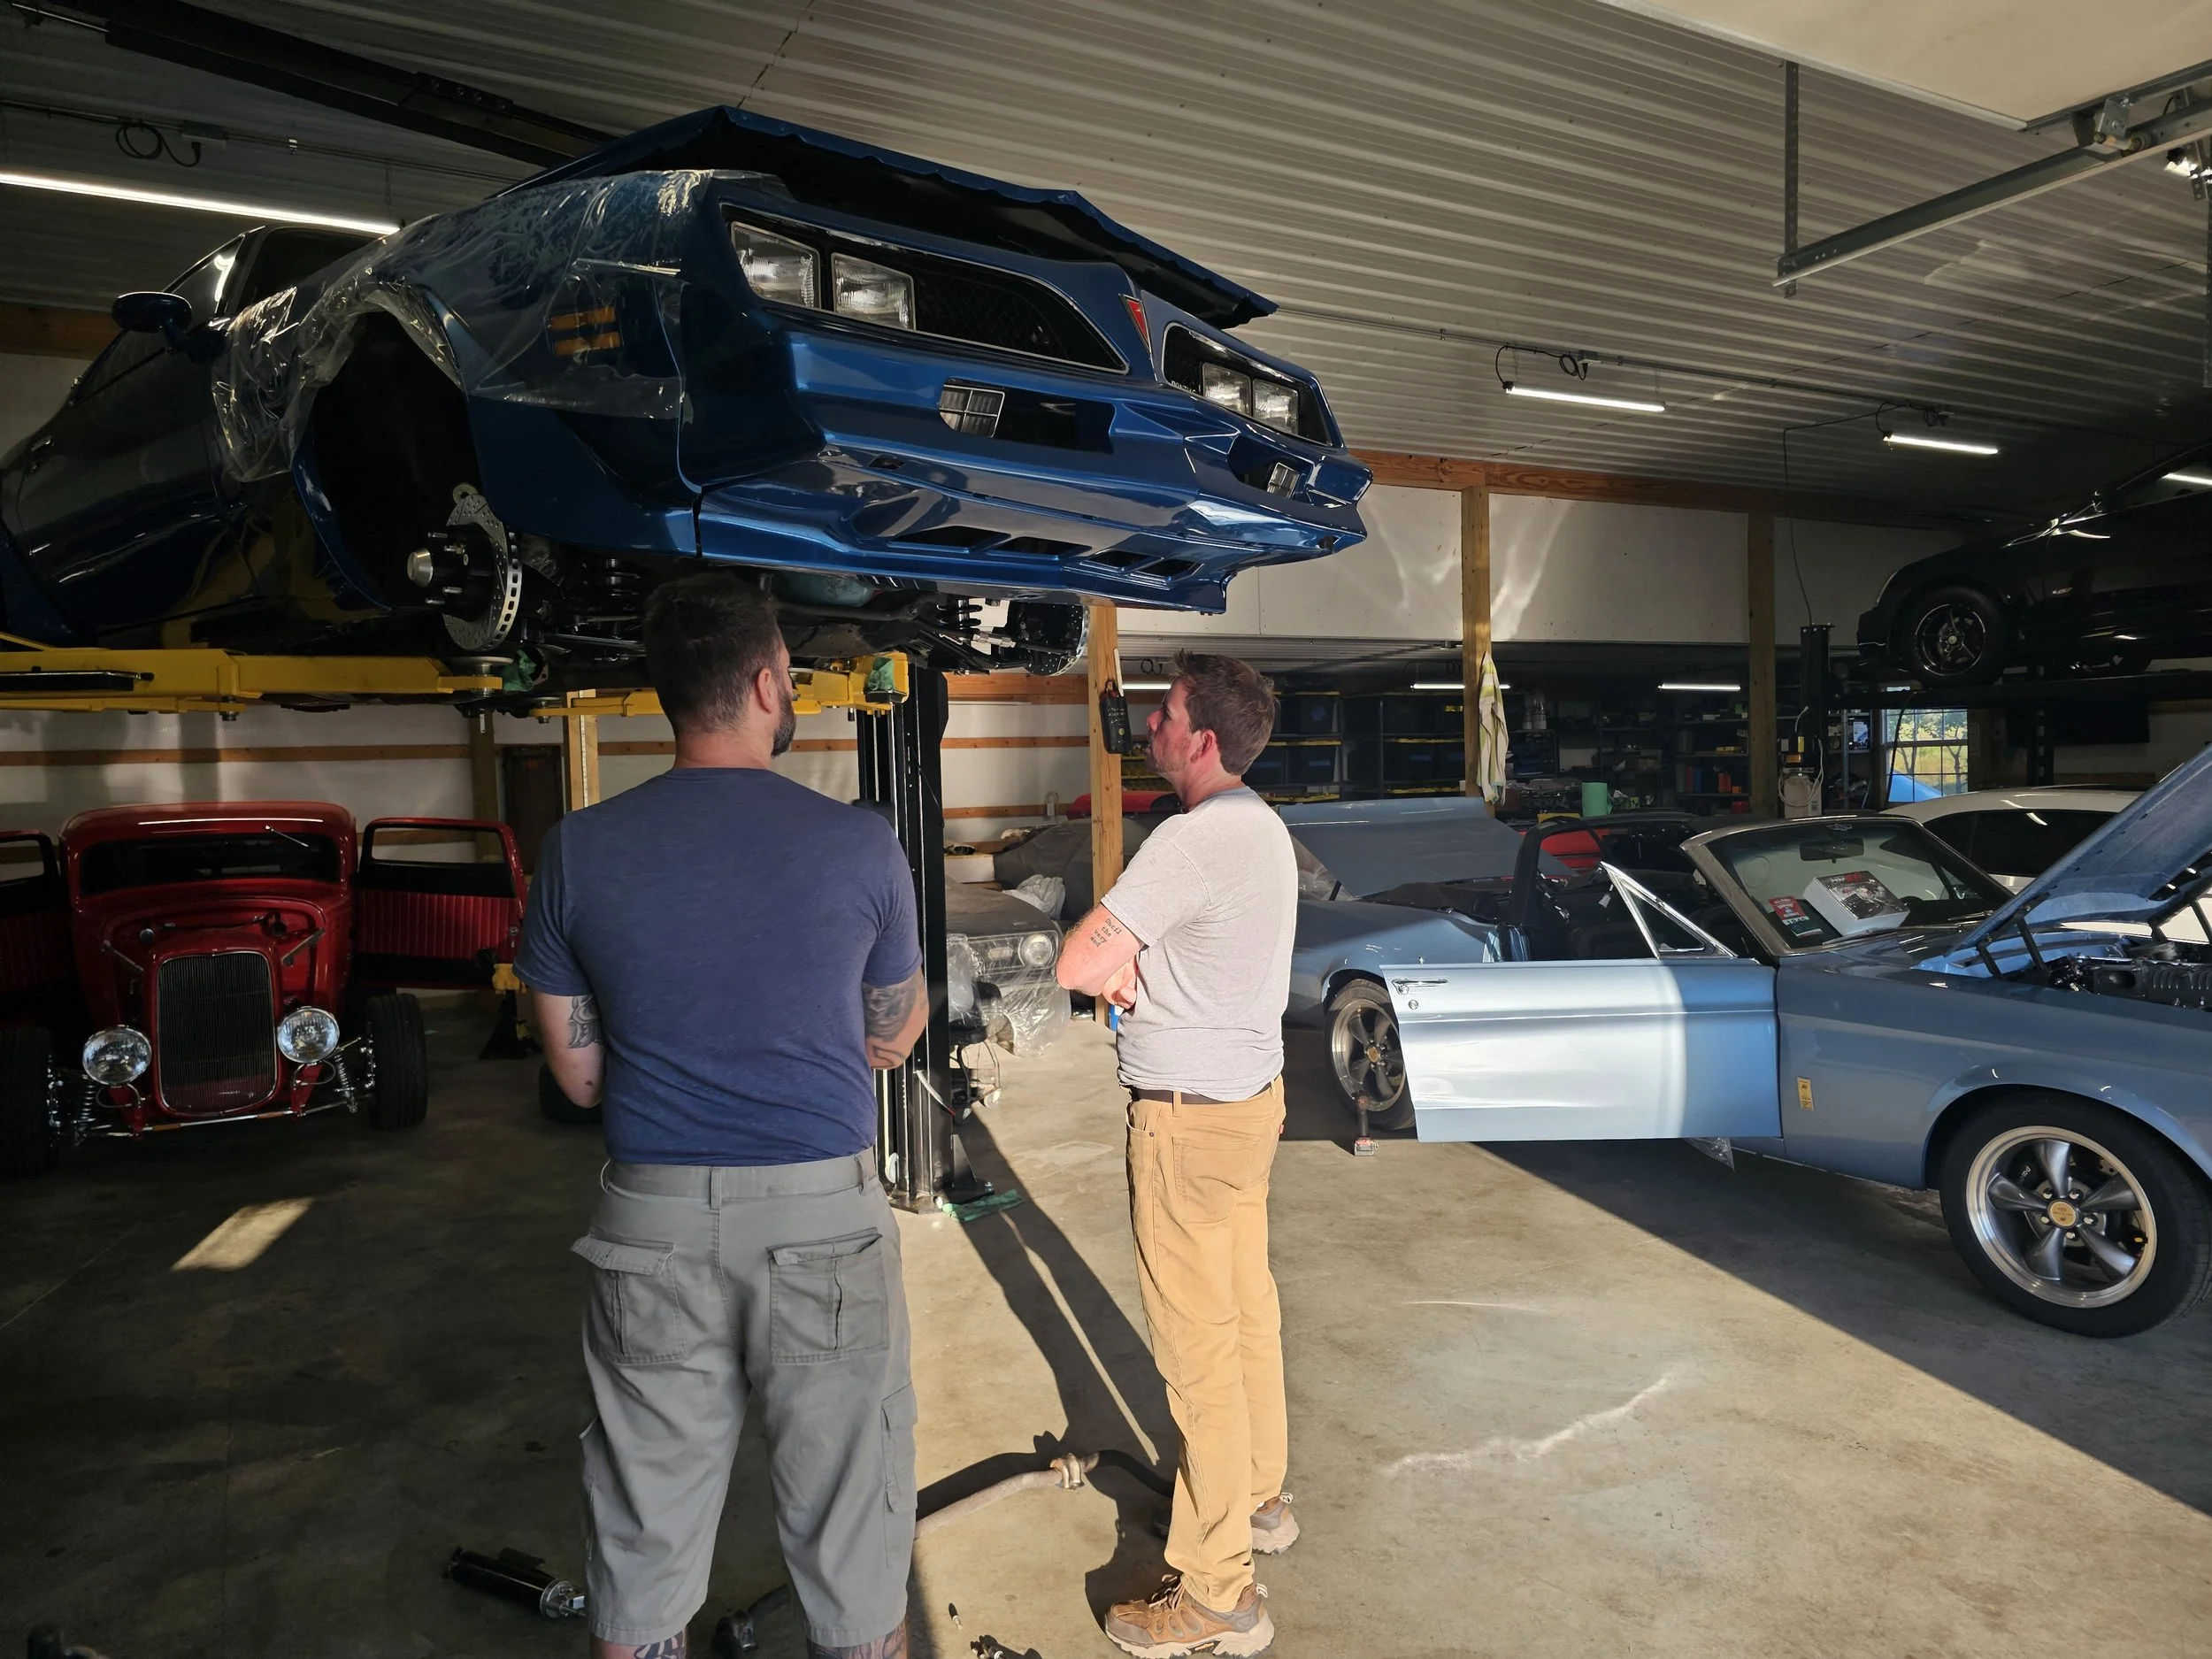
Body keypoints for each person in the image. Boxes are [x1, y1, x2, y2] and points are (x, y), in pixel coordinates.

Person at [518, 571, 927, 1659]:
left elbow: (581, 1081)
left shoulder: (578, 851)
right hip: (821, 1224)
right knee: (853, 1537)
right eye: (790, 676)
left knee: (643, 1545)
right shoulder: (857, 844)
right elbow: (897, 1028)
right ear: (762, 681)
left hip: (648, 1229)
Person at [1055, 651, 1298, 1659]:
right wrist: (1142, 962)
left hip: (1186, 1124)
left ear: (1200, 740)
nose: (1144, 728)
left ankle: (1217, 1593)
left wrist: (1123, 961)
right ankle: (1256, 1500)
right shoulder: (1264, 828)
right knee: (1245, 1315)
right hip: (1247, 1107)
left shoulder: (1191, 841)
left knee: (1197, 1352)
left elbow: (1077, 963)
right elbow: (1179, 956)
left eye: (1161, 715)